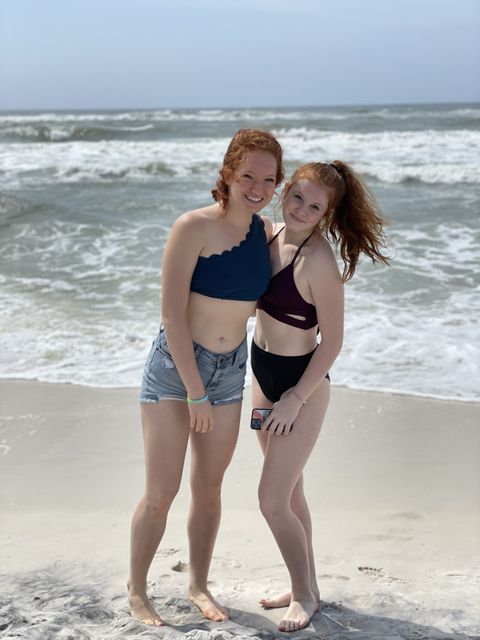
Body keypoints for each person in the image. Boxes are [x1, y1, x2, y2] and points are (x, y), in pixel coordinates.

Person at [128, 129, 284, 626]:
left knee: (210, 490)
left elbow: (303, 258)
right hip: (177, 372)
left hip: (230, 371)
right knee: (161, 493)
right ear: (228, 173)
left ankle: (198, 584)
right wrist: (195, 392)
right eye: (248, 176)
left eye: (269, 180)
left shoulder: (266, 232)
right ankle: (137, 590)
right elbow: (171, 315)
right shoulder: (191, 227)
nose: (257, 188)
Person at [251, 161, 389, 633]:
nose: (302, 210)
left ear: (326, 214)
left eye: (315, 207)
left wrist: (294, 398)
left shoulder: (319, 263)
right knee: (291, 491)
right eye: (297, 197)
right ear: (284, 190)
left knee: (271, 499)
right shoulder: (268, 236)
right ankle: (303, 582)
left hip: (302, 386)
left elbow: (333, 342)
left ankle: (305, 596)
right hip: (261, 374)